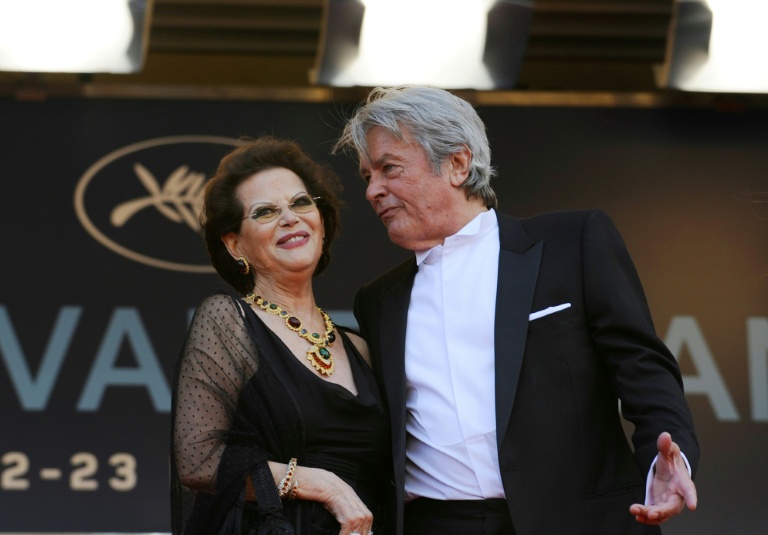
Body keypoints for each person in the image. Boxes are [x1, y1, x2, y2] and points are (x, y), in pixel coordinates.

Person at [332, 86, 699, 535]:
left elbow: (645, 370)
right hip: (439, 524)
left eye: (389, 169)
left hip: (578, 522)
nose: (373, 190)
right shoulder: (378, 301)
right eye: (367, 175)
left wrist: (669, 459)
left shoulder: (572, 242)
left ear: (458, 164)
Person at [171, 137, 388, 535]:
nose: (290, 218)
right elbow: (199, 461)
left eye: (301, 203)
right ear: (235, 243)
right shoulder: (228, 322)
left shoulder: (360, 347)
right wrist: (321, 485)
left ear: (322, 222)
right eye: (265, 212)